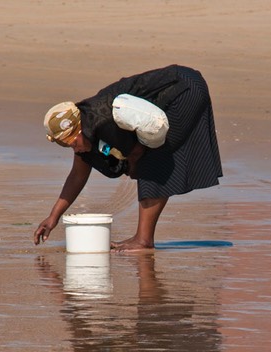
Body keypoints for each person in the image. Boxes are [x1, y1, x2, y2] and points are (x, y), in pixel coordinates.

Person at [33, 64, 223, 251]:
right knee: (151, 160)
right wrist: (53, 217)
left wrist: (133, 166)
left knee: (152, 161)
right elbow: (77, 176)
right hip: (181, 85)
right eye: (64, 144)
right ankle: (143, 238)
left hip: (183, 91)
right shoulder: (84, 134)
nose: (72, 148)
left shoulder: (104, 119)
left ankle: (143, 240)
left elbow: (137, 151)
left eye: (71, 142)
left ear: (79, 128)